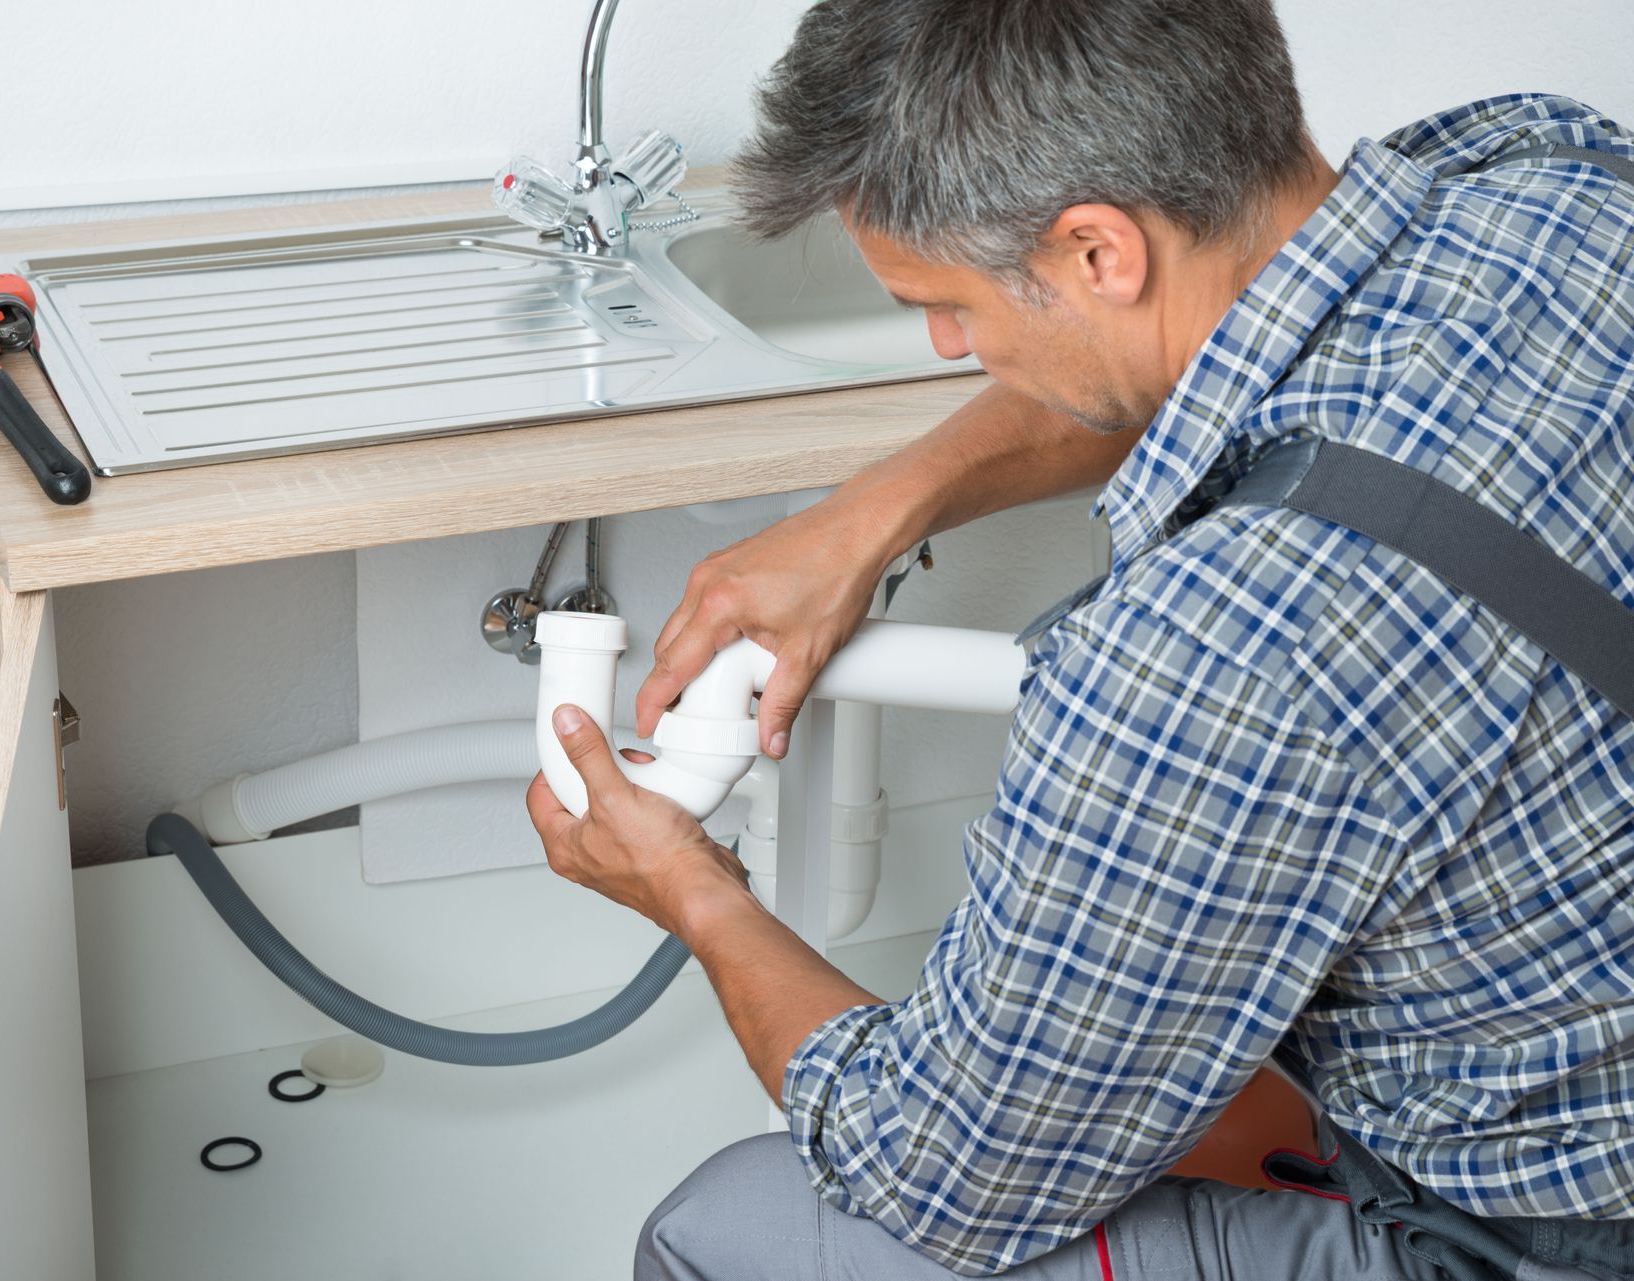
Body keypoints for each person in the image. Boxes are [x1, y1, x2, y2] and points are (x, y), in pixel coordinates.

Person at [524, 1, 1634, 1277]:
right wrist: (876, 508)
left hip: (1553, 1236)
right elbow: (1234, 350)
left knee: (730, 1233)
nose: (948, 349)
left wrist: (689, 886)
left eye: (947, 303)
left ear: (1101, 251)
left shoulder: (1207, 655)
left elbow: (943, 1170)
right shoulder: (1550, 175)